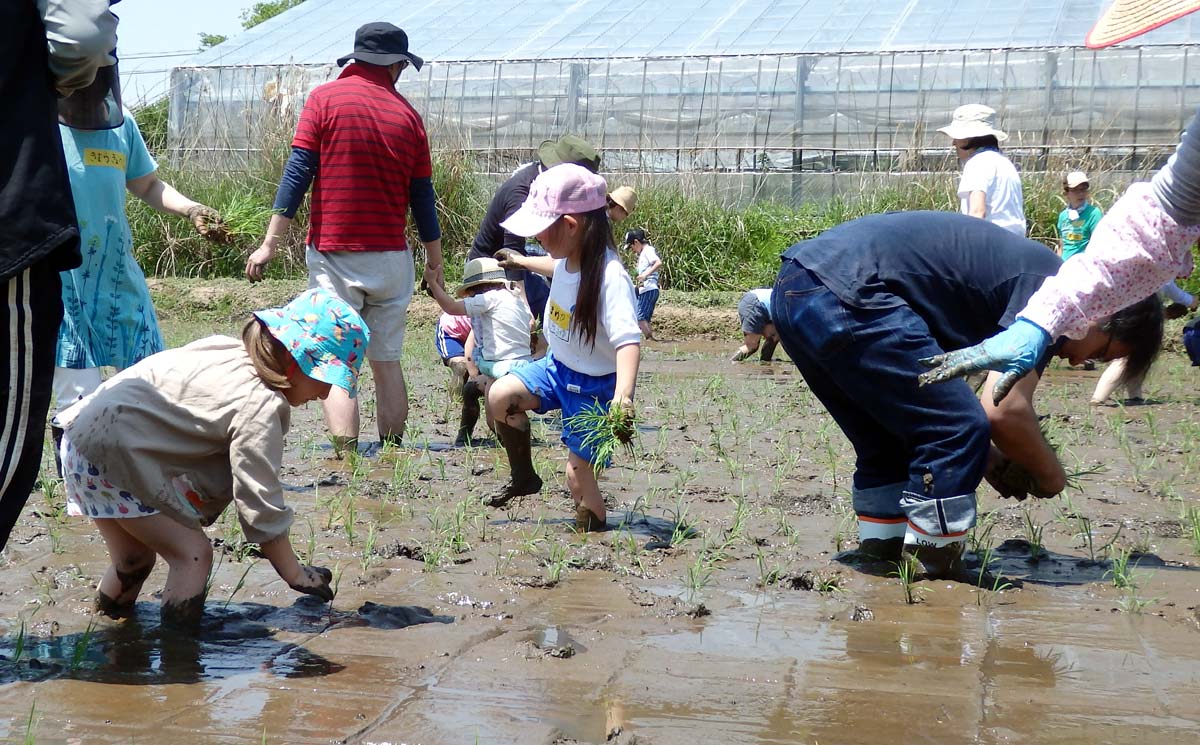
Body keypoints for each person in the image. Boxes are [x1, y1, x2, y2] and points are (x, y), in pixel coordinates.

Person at [773, 211, 1162, 581]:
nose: (1081, 363)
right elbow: (1002, 412)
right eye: (1099, 353)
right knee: (953, 428)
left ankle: (880, 554)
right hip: (850, 290)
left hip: (798, 286)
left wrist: (987, 459)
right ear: (1104, 313)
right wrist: (1050, 477)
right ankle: (936, 567)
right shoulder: (1055, 294)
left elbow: (957, 401)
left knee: (890, 438)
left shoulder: (1035, 279)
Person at [921, 4, 1200, 402]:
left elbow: (977, 218)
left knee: (994, 385)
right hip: (1032, 267)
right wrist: (1038, 323)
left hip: (992, 267)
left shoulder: (978, 167)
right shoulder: (1004, 164)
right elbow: (1157, 226)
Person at [53, 289, 366, 627]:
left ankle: (107, 632)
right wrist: (296, 574)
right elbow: (259, 501)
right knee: (193, 555)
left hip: (81, 440)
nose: (325, 393)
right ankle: (180, 660)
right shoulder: (259, 405)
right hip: (114, 455)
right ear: (295, 361)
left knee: (134, 559)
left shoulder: (225, 349)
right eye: (324, 379)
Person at [245, 22, 443, 454]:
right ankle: (392, 452)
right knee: (387, 361)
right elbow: (422, 197)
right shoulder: (409, 117)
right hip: (393, 259)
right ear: (394, 65)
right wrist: (435, 260)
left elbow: (298, 174)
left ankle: (346, 459)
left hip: (337, 256)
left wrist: (269, 243)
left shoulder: (324, 100)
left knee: (337, 364)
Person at [0, 0, 117, 552]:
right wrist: (51, 83)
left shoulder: (125, 135)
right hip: (14, 230)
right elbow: (81, 34)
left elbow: (146, 184)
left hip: (109, 279)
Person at [53, 100, 228, 439]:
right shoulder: (36, 121)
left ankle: (137, 482)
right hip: (65, 284)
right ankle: (80, 489)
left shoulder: (121, 122)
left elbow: (146, 184)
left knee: (148, 391)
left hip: (118, 280)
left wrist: (191, 209)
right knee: (78, 405)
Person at [485, 164, 642, 532]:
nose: (537, 237)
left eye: (541, 229)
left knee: (577, 475)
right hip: (557, 369)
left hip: (596, 389)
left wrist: (624, 397)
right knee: (500, 396)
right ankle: (524, 477)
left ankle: (594, 532)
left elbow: (628, 340)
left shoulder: (610, 277)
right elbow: (555, 265)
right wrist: (522, 260)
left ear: (571, 226)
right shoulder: (569, 258)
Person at [466, 135, 600, 322]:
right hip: (491, 270)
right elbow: (510, 254)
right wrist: (523, 306)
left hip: (517, 263)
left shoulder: (539, 182)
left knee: (550, 309)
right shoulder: (521, 193)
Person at [424, 257, 533, 446]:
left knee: (497, 418)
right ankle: (465, 438)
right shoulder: (514, 298)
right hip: (521, 367)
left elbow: (450, 307)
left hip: (501, 369)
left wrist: (433, 283)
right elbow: (530, 325)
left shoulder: (488, 299)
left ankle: (513, 446)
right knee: (471, 390)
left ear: (477, 289)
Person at [939, 104, 1026, 237]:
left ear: (967, 138)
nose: (954, 143)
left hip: (992, 244)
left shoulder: (977, 163)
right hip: (1017, 243)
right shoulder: (1005, 163)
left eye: (957, 138)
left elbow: (977, 213)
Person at [625, 228, 662, 341]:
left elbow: (658, 262)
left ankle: (650, 340)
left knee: (640, 317)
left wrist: (644, 275)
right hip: (647, 289)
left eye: (631, 246)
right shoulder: (644, 253)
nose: (632, 250)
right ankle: (650, 338)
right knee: (644, 318)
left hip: (649, 289)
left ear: (636, 242)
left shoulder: (648, 251)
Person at [1057, 171, 1103, 260]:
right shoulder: (1063, 216)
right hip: (1064, 267)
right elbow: (1061, 245)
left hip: (1084, 267)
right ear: (1066, 193)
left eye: (1083, 189)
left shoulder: (1094, 213)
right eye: (1075, 190)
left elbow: (1098, 244)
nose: (1080, 194)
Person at [731, 289, 779, 361]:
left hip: (757, 302)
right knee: (751, 346)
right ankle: (731, 365)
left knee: (774, 337)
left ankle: (765, 363)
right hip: (755, 304)